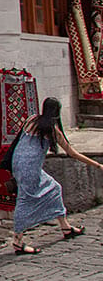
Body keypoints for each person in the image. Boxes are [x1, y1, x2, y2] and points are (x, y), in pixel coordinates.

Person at [11, 97, 103, 254]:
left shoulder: (31, 120)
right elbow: (72, 153)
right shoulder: (52, 130)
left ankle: (65, 227)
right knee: (25, 201)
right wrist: (97, 165)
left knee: (54, 188)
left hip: (18, 164)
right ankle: (17, 241)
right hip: (30, 169)